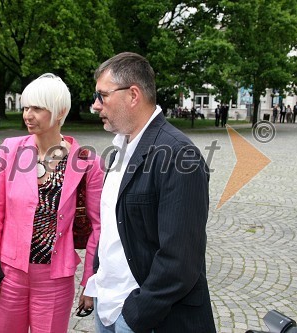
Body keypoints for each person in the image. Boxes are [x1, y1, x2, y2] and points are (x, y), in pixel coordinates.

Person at [84, 52, 216, 333]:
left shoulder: (180, 155)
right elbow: (111, 228)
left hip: (149, 319)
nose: (95, 106)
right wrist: (97, 280)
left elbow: (180, 260)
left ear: (133, 95)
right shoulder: (121, 146)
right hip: (108, 308)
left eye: (102, 96)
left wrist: (133, 316)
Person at [0, 73, 103, 333]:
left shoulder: (87, 162)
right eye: (26, 107)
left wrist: (89, 282)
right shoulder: (9, 150)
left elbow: (98, 227)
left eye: (37, 108)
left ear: (59, 112)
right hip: (10, 272)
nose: (27, 114)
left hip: (55, 279)